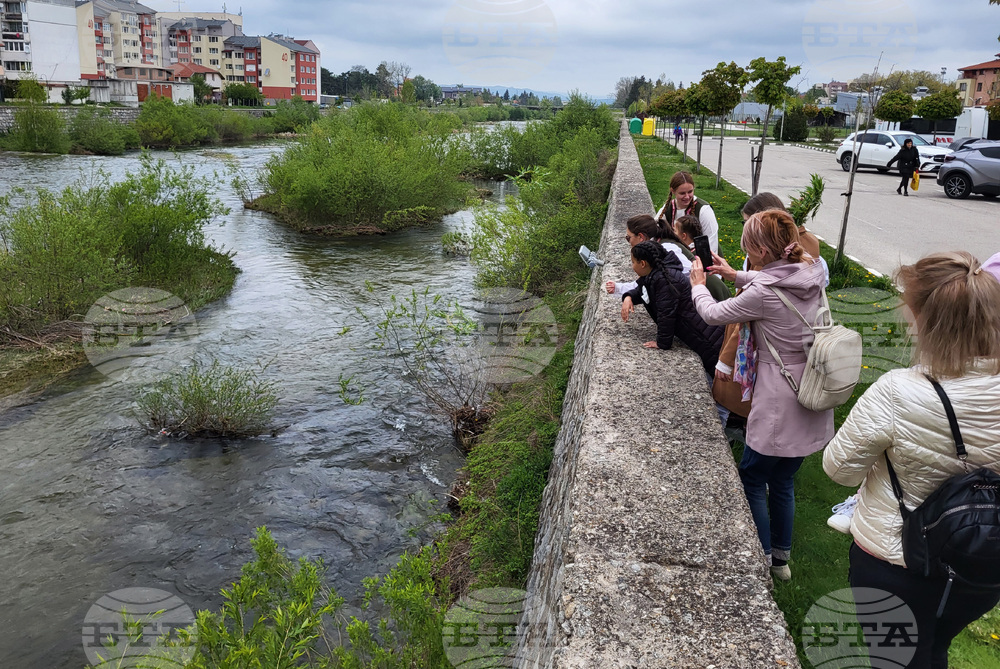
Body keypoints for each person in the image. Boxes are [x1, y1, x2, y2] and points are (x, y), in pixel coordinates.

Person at [823, 251, 1000, 669]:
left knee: (896, 659)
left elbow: (839, 469)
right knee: (934, 648)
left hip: (897, 561)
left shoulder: (897, 391)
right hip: (979, 559)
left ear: (925, 320)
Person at [689, 209, 833, 580]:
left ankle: (762, 559)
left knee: (753, 476)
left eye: (749, 250)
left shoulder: (763, 294)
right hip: (812, 388)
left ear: (763, 252)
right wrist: (734, 274)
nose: (746, 256)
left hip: (779, 398)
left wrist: (698, 285)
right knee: (783, 478)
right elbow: (779, 281)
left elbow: (713, 313)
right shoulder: (812, 270)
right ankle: (781, 560)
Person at [621, 240, 723, 375]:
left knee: (717, 370)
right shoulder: (659, 273)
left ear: (643, 263)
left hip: (706, 335)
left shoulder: (665, 280)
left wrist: (662, 343)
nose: (632, 266)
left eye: (633, 262)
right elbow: (645, 290)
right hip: (706, 328)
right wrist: (629, 297)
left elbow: (666, 314)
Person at [606, 214, 692, 297]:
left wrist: (619, 288)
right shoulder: (656, 247)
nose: (629, 243)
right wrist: (618, 288)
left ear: (641, 237)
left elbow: (690, 272)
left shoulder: (665, 249)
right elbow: (646, 282)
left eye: (628, 238)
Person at [655, 171, 719, 254]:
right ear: (673, 191)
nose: (687, 197)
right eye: (682, 193)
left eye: (690, 192)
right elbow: (654, 230)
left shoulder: (704, 210)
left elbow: (712, 243)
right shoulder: (668, 208)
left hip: (701, 256)